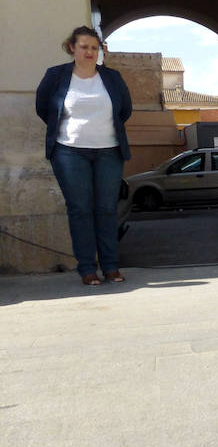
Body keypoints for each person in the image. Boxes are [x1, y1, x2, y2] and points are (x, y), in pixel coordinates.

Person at [35, 26, 133, 286]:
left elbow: (124, 109)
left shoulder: (112, 77)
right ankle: (87, 269)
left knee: (106, 210)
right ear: (72, 48)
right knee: (80, 210)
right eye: (84, 47)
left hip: (109, 152)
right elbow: (44, 108)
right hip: (69, 151)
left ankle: (111, 267)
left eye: (94, 47)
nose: (89, 52)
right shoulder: (55, 76)